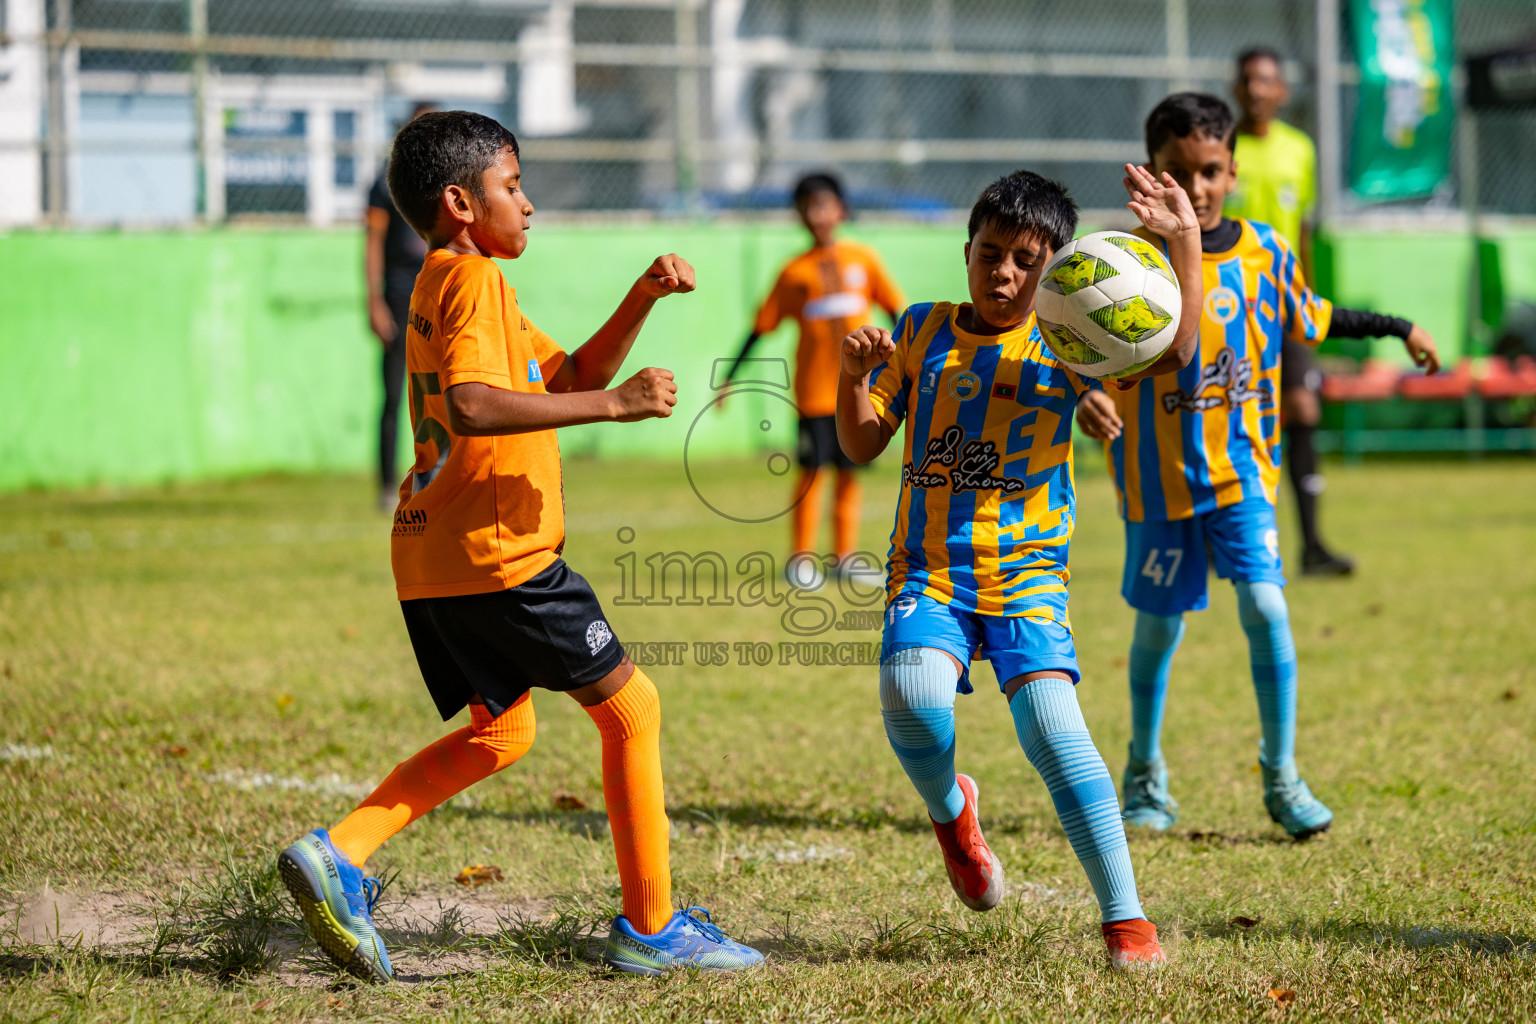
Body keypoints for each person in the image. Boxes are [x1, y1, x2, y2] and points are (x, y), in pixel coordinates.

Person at [278, 110, 763, 983]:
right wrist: (615, 408)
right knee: (632, 709)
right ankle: (652, 929)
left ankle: (339, 852)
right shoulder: (472, 282)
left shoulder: (451, 281)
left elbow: (567, 374)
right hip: (502, 555)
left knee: (501, 733)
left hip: (433, 552)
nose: (528, 203)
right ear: (461, 204)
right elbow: (473, 405)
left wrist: (642, 297)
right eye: (512, 185)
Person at [835, 166, 1206, 968]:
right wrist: (853, 379)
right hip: (927, 569)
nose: (1005, 273)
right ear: (967, 251)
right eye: (991, 253)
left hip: (1026, 576)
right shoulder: (921, 329)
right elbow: (861, 443)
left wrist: (1183, 240)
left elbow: (1177, 355)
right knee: (912, 696)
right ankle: (952, 813)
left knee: (1054, 732)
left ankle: (1126, 920)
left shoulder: (1074, 339)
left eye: (1027, 261)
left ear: (1055, 269)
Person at [1076, 93, 1440, 840]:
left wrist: (1397, 326)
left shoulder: (1267, 251)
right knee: (1158, 629)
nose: (1196, 187)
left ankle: (1282, 775)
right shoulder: (1122, 263)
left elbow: (1315, 314)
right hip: (1155, 479)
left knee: (1267, 607)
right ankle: (1144, 771)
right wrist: (1087, 391)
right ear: (1150, 172)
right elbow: (1069, 345)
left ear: (1233, 172)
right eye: (1178, 172)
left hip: (1242, 472)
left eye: (1210, 171)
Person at [726, 172, 905, 580]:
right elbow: (760, 328)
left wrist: (906, 362)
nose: (817, 215)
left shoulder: (864, 260)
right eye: (808, 207)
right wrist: (731, 378)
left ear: (841, 210)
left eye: (824, 205)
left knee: (850, 473)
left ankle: (844, 558)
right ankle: (801, 561)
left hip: (859, 393)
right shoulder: (793, 273)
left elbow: (898, 313)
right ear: (799, 215)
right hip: (813, 394)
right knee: (811, 474)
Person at [1225, 48, 1349, 575]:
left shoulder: (1299, 149)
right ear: (1236, 89)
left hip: (1285, 301)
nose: (1256, 89)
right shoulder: (1218, 147)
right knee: (1223, 415)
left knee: (1302, 410)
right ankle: (1219, 541)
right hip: (1228, 305)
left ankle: (1313, 545)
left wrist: (1309, 303)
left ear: (1282, 91)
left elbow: (1303, 231)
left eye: (1266, 80)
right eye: (1248, 80)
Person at [366, 102, 435, 512]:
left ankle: (439, 480)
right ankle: (387, 484)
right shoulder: (385, 181)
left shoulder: (451, 178)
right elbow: (372, 242)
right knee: (395, 394)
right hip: (398, 295)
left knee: (440, 394)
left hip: (438, 291)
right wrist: (374, 300)